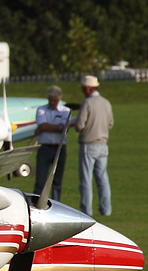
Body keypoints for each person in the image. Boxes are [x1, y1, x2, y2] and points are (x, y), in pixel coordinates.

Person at [73, 74, 113, 216]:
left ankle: (86, 211)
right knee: (102, 179)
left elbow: (79, 126)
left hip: (89, 145)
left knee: (86, 179)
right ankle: (106, 209)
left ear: (88, 89)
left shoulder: (87, 103)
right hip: (103, 145)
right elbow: (110, 123)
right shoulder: (106, 102)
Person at [32, 85, 70, 200]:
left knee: (57, 181)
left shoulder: (66, 111)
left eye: (55, 100)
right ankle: (36, 203)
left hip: (59, 148)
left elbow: (64, 128)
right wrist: (57, 127)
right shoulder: (41, 109)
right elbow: (42, 125)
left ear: (59, 99)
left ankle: (56, 204)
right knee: (40, 181)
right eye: (50, 100)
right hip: (44, 148)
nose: (52, 103)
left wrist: (45, 128)